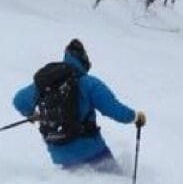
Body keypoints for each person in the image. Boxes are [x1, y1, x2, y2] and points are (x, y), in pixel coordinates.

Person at [13, 39, 146, 171]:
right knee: (115, 182)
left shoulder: (49, 82)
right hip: (91, 151)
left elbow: (19, 100)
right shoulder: (89, 83)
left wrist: (31, 114)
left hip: (60, 155)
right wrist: (135, 117)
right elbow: (114, 110)